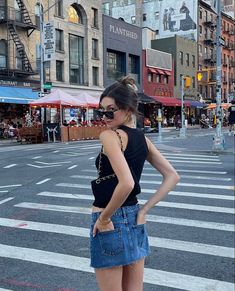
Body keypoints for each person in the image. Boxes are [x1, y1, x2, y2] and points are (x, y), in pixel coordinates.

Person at [89, 76, 180, 291]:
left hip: (109, 217)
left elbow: (127, 183)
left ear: (128, 109)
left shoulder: (110, 136)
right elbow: (172, 176)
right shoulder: (142, 138)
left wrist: (104, 218)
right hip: (134, 216)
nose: (104, 116)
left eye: (110, 110)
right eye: (101, 110)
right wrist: (144, 210)